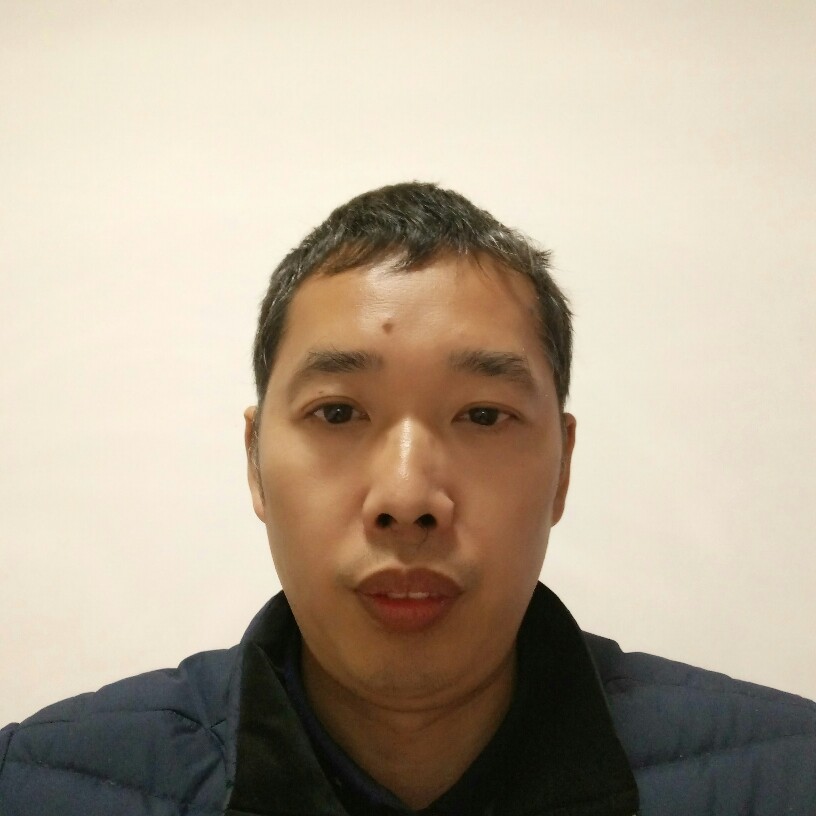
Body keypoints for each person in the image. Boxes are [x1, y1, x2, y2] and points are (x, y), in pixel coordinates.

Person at [1, 183, 814, 815]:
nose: (406, 498)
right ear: (254, 462)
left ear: (563, 467)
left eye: (483, 416)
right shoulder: (32, 786)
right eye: (338, 413)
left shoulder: (787, 779)